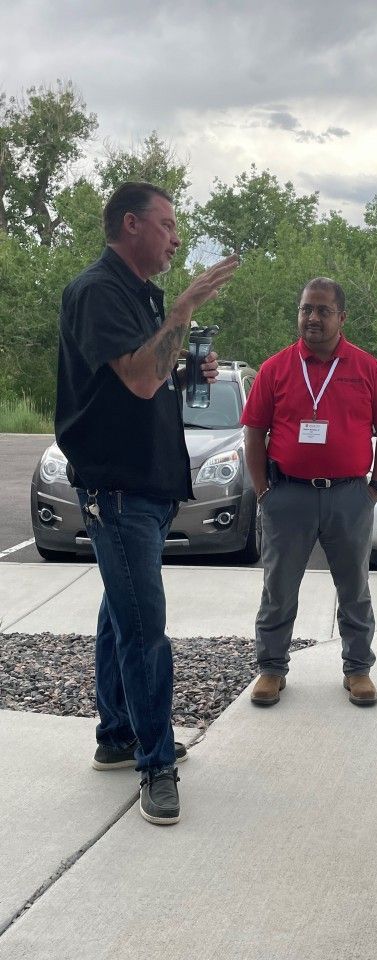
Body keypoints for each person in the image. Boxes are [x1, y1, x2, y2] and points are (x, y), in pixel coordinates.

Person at [55, 181, 237, 825]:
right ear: (131, 224)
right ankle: (155, 766)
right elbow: (135, 377)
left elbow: (144, 375)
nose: (176, 238)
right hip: (118, 489)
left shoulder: (136, 294)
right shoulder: (98, 289)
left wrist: (188, 371)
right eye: (166, 225)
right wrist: (186, 305)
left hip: (149, 485)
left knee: (119, 612)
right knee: (143, 632)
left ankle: (116, 736)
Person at [241, 277, 377, 707]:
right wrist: (262, 492)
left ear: (342, 317)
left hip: (350, 497)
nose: (312, 317)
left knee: (354, 587)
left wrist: (374, 487)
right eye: (305, 309)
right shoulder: (275, 368)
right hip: (287, 496)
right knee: (278, 586)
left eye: (322, 310)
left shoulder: (367, 369)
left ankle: (358, 669)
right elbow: (254, 433)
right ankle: (271, 669)